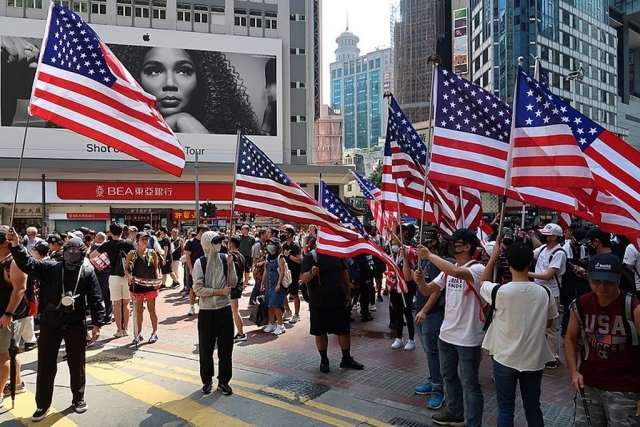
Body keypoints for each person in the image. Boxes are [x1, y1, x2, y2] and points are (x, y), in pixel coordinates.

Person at [6, 228, 104, 422]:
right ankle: (42, 405)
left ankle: (78, 399)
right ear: (63, 253)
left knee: (77, 364)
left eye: (77, 253)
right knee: (45, 365)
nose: (72, 256)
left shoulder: (87, 272)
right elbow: (27, 263)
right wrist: (16, 245)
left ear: (82, 254)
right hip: (50, 321)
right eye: (69, 251)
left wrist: (97, 324)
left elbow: (96, 297)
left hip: (75, 322)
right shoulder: (51, 268)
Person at [481, 241, 558, 427]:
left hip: (504, 358)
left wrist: (493, 258)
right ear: (530, 262)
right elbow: (550, 322)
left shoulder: (498, 291)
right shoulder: (545, 293)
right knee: (533, 407)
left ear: (507, 263)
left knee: (505, 408)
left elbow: (483, 281)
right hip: (534, 359)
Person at [415, 228, 486, 427]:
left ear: (467, 247)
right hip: (447, 335)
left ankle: (474, 423)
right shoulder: (449, 269)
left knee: (471, 384)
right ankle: (455, 414)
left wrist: (429, 255)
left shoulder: (477, 269)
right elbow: (429, 289)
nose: (451, 245)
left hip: (469, 337)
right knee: (449, 376)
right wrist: (421, 281)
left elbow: (456, 272)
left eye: (456, 242)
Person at [108, 45, 263, 134]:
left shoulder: (225, 140)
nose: (170, 83)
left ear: (202, 79)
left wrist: (184, 120)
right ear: (135, 76)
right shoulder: (113, 133)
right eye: (155, 70)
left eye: (183, 71)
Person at [564, 252, 640, 427]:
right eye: (596, 281)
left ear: (619, 279)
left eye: (608, 281)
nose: (602, 287)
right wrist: (574, 371)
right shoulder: (581, 304)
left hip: (625, 388)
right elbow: (570, 338)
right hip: (589, 384)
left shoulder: (633, 308)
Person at [300, 249, 364, 373]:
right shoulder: (311, 257)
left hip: (338, 301)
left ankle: (346, 359)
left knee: (343, 330)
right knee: (320, 332)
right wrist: (312, 273)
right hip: (318, 302)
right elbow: (304, 278)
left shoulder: (336, 254)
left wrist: (348, 294)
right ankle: (324, 359)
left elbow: (345, 274)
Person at [192, 231, 235, 396]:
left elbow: (232, 283)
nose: (219, 245)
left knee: (226, 349)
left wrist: (231, 268)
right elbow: (197, 289)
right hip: (207, 312)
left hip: (224, 310)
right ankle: (207, 380)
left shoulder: (225, 259)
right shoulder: (199, 263)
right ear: (207, 244)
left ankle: (224, 381)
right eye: (215, 242)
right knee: (206, 349)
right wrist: (219, 292)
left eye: (219, 241)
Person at [412, 227, 446, 410]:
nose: (419, 244)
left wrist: (424, 310)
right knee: (429, 352)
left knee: (434, 352)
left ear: (432, 243)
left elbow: (436, 289)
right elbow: (409, 277)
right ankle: (433, 380)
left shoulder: (436, 262)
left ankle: (438, 389)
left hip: (431, 313)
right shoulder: (421, 261)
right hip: (419, 309)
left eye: (423, 240)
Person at [528, 223, 567, 369]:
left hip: (551, 293)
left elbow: (548, 275)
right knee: (537, 324)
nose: (543, 236)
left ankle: (553, 356)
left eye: (546, 234)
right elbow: (532, 252)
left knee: (550, 327)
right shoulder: (544, 248)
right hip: (538, 290)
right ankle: (540, 353)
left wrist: (526, 274)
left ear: (554, 237)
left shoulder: (559, 253)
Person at [90, 222, 134, 338]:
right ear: (122, 232)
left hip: (113, 276)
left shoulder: (107, 245)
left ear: (110, 232)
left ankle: (119, 330)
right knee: (126, 303)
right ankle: (127, 329)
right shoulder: (128, 243)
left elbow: (91, 255)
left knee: (117, 304)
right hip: (127, 275)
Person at [0, 226, 28, 410]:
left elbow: (20, 288)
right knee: (11, 351)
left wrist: (8, 313)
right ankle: (16, 384)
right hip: (4, 314)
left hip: (7, 316)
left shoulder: (13, 262)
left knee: (3, 356)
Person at [124, 233, 160, 345]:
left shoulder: (152, 253)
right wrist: (129, 277)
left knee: (152, 310)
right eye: (143, 239)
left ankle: (154, 332)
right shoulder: (132, 254)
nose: (145, 241)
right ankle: (138, 333)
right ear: (137, 241)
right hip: (136, 286)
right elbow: (126, 269)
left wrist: (157, 280)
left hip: (150, 285)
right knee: (138, 311)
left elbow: (156, 268)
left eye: (147, 239)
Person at [260, 237, 287, 336]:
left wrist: (279, 284)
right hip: (268, 284)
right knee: (269, 305)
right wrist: (262, 283)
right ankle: (271, 323)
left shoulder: (280, 257)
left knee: (276, 305)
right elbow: (265, 271)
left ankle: (280, 325)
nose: (269, 246)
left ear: (276, 246)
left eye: (271, 244)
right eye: (268, 244)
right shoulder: (267, 257)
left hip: (276, 283)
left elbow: (282, 272)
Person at [184, 225, 209, 316]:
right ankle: (191, 307)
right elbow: (187, 256)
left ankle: (203, 306)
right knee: (192, 288)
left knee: (205, 286)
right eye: (205, 232)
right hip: (194, 268)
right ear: (200, 232)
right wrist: (190, 268)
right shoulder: (191, 242)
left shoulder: (207, 242)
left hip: (205, 268)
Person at [281, 226, 302, 324]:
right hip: (286, 273)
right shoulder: (284, 246)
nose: (284, 234)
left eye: (286, 233)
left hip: (294, 272)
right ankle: (288, 311)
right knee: (283, 293)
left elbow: (300, 260)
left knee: (294, 294)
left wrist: (289, 255)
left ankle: (297, 314)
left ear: (290, 234)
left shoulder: (295, 246)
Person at [227, 236, 246, 342]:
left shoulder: (232, 256)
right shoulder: (241, 256)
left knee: (234, 310)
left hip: (233, 285)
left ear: (232, 244)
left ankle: (241, 333)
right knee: (233, 310)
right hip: (238, 284)